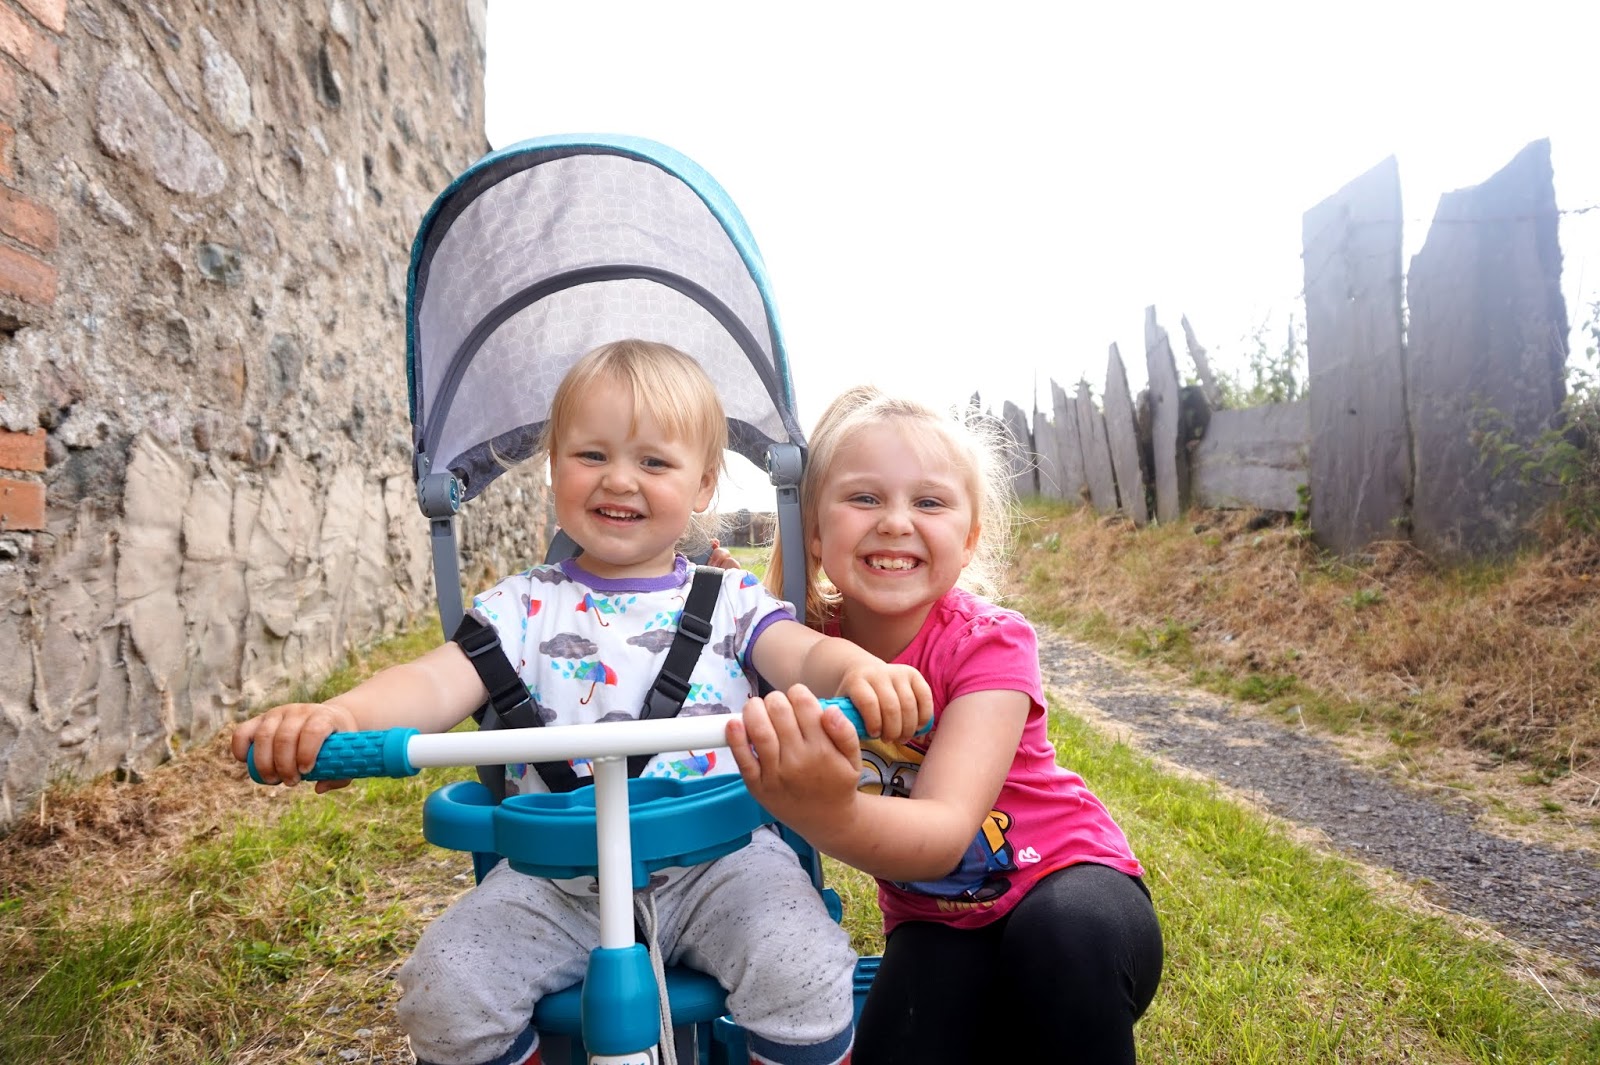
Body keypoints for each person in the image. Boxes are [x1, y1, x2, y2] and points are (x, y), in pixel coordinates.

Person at [233, 342, 932, 1065]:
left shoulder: (731, 603)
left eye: (654, 462)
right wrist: (345, 718)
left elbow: (805, 656)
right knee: (445, 989)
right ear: (552, 468)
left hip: (723, 863)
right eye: (590, 455)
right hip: (552, 882)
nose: (619, 479)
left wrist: (855, 671)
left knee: (806, 966)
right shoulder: (521, 608)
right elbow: (433, 683)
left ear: (702, 485)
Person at [725, 385, 1164, 1065]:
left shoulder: (989, 642)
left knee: (1060, 939)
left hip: (1075, 893)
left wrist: (823, 811)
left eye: (928, 502)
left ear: (968, 538)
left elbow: (941, 833)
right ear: (815, 529)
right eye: (865, 498)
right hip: (940, 926)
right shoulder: (808, 649)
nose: (896, 521)